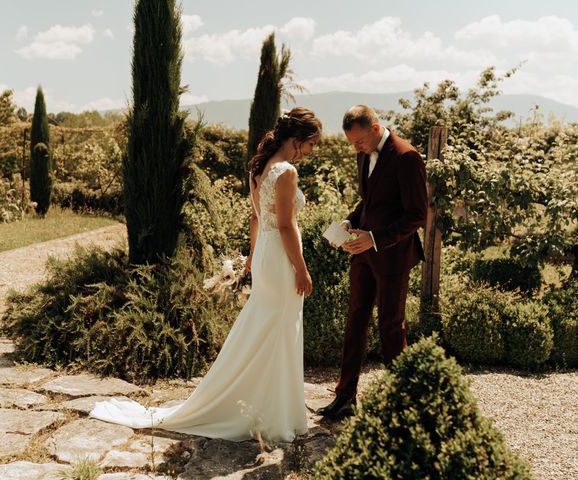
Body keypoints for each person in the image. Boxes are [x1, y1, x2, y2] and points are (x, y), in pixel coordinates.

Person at [90, 107, 322, 442]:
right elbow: (286, 225)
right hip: (281, 259)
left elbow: (257, 220)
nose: (312, 151)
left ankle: (267, 407)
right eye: (312, 144)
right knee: (279, 329)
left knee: (266, 329)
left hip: (266, 257)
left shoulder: (259, 169)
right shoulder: (285, 171)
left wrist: (252, 260)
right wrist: (302, 270)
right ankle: (272, 413)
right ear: (299, 140)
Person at [317, 105, 427, 419]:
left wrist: (376, 238)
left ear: (376, 128)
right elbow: (370, 202)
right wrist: (349, 222)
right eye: (353, 143)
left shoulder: (407, 157)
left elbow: (417, 215)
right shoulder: (364, 153)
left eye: (360, 142)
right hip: (363, 254)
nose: (357, 148)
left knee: (391, 327)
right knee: (355, 321)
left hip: (393, 256)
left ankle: (400, 403)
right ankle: (345, 396)